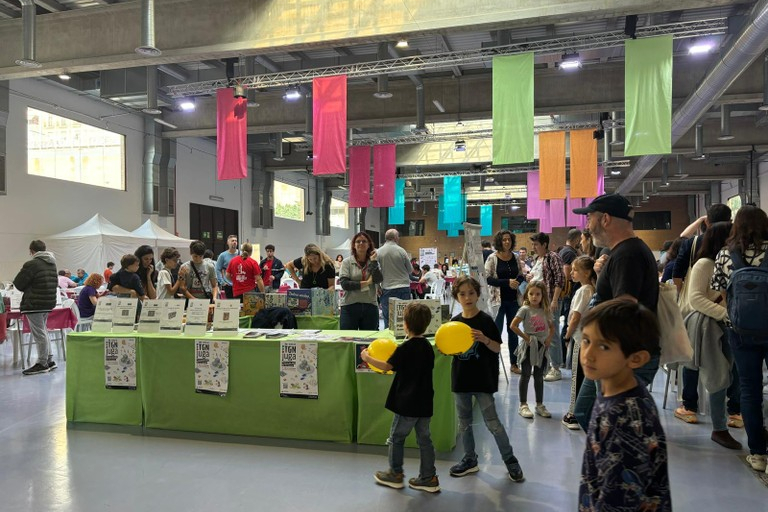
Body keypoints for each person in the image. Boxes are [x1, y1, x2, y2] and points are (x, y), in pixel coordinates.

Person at [572, 193, 660, 431]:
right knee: (586, 412)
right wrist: (602, 275)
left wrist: (589, 319)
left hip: (621, 356)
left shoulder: (627, 255)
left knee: (610, 423)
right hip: (614, 353)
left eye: (589, 218)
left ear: (606, 219)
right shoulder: (621, 252)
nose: (587, 226)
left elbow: (624, 307)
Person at [578, 299, 670, 512]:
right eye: (586, 340)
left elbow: (619, 501)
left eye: (604, 346)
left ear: (636, 359)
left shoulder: (623, 421)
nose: (588, 354)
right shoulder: (616, 389)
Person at [447, 275, 524, 483]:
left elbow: (497, 348)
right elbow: (449, 348)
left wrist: (484, 339)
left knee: (493, 423)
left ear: (478, 295)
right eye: (462, 294)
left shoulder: (486, 320)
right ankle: (469, 459)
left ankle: (510, 460)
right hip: (461, 380)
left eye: (471, 293)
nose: (467, 298)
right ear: (456, 297)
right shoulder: (454, 323)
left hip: (482, 380)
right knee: (464, 423)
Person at [710, 205, 768, 471]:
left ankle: (757, 454)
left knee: (749, 389)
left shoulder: (726, 254)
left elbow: (720, 292)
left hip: (740, 330)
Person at [361, 303, 438, 493]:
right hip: (425, 402)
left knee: (396, 438)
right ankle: (429, 477)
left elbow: (387, 366)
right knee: (425, 440)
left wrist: (367, 358)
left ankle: (395, 474)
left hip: (406, 403)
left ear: (406, 325)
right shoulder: (428, 347)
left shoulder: (405, 348)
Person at [678, 221, 742, 450]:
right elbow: (696, 298)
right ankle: (719, 428)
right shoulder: (704, 264)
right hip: (709, 327)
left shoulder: (728, 261)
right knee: (718, 376)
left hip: (727, 325)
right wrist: (725, 314)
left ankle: (724, 422)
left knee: (729, 374)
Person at [561, 256, 596, 429]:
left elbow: (575, 316)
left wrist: (567, 335)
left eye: (576, 270)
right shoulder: (590, 289)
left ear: (587, 273)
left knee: (577, 376)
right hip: (586, 338)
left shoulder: (584, 291)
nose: (572, 273)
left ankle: (573, 414)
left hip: (578, 338)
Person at [13, 240, 58, 375]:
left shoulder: (32, 264)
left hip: (34, 303)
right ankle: (49, 360)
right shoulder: (52, 263)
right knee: (43, 331)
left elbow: (18, 283)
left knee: (39, 334)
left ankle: (42, 363)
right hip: (48, 302)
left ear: (32, 251)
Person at [510, 281, 553, 419]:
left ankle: (539, 405)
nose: (534, 297)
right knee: (526, 374)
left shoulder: (545, 310)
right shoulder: (525, 309)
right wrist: (526, 338)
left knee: (539, 376)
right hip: (529, 346)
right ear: (527, 295)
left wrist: (548, 339)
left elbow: (552, 327)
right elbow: (513, 325)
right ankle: (523, 404)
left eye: (538, 294)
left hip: (542, 346)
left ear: (542, 295)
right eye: (531, 294)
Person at [527, 233, 565, 382]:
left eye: (536, 244)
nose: (534, 247)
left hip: (550, 301)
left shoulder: (552, 257)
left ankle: (556, 368)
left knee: (552, 333)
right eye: (533, 244)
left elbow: (559, 279)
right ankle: (545, 365)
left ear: (544, 244)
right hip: (539, 303)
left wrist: (554, 300)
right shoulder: (538, 259)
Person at [485, 229, 523, 374]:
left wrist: (517, 281)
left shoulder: (515, 257)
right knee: (496, 332)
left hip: (513, 300)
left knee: (513, 332)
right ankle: (492, 363)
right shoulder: (492, 258)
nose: (507, 242)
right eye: (504, 239)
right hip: (497, 301)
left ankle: (514, 363)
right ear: (499, 242)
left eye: (509, 239)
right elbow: (487, 278)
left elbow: (520, 275)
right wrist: (507, 282)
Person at [672, 203, 732, 294]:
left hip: (697, 296)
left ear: (707, 222)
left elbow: (677, 274)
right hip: (728, 296)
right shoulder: (737, 242)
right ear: (730, 221)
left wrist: (681, 293)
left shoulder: (692, 243)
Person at [339, 232, 383, 330]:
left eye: (364, 241)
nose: (361, 243)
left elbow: (378, 279)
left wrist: (373, 262)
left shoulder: (373, 261)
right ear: (354, 245)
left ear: (369, 245)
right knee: (348, 337)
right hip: (349, 306)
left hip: (370, 305)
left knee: (369, 337)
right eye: (358, 241)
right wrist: (367, 283)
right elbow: (345, 285)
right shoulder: (347, 262)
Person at [377, 229, 413, 329]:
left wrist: (377, 287)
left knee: (388, 319)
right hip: (403, 287)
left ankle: (388, 337)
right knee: (405, 318)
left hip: (387, 288)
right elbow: (410, 270)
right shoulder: (401, 251)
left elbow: (375, 272)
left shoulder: (379, 252)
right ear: (396, 238)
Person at [558, 228, 582, 367]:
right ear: (577, 239)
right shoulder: (569, 253)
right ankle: (562, 358)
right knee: (568, 324)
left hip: (569, 293)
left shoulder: (565, 250)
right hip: (570, 293)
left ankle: (563, 358)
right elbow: (567, 273)